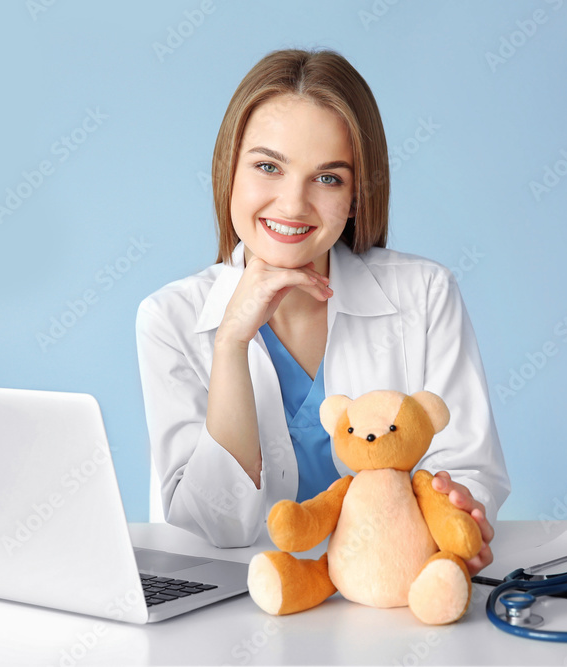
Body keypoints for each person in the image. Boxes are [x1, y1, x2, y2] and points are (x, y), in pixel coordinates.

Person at [136, 49, 509, 574]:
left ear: (358, 196)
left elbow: (467, 466)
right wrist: (231, 344)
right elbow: (214, 529)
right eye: (268, 167)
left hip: (388, 598)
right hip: (234, 613)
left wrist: (456, 517)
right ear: (229, 173)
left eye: (328, 178)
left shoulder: (425, 293)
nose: (292, 205)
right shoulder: (168, 318)